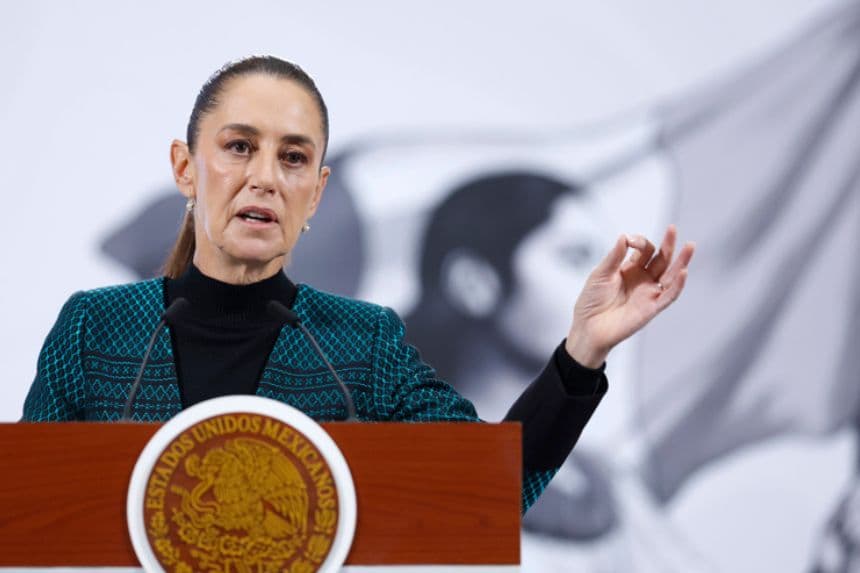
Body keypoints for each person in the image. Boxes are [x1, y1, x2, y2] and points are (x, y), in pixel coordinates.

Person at [21, 56, 694, 514]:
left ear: (315, 194)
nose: (264, 177)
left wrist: (581, 351)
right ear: (186, 167)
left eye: (293, 158)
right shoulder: (93, 328)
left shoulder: (364, 342)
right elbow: (28, 517)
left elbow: (493, 485)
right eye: (237, 146)